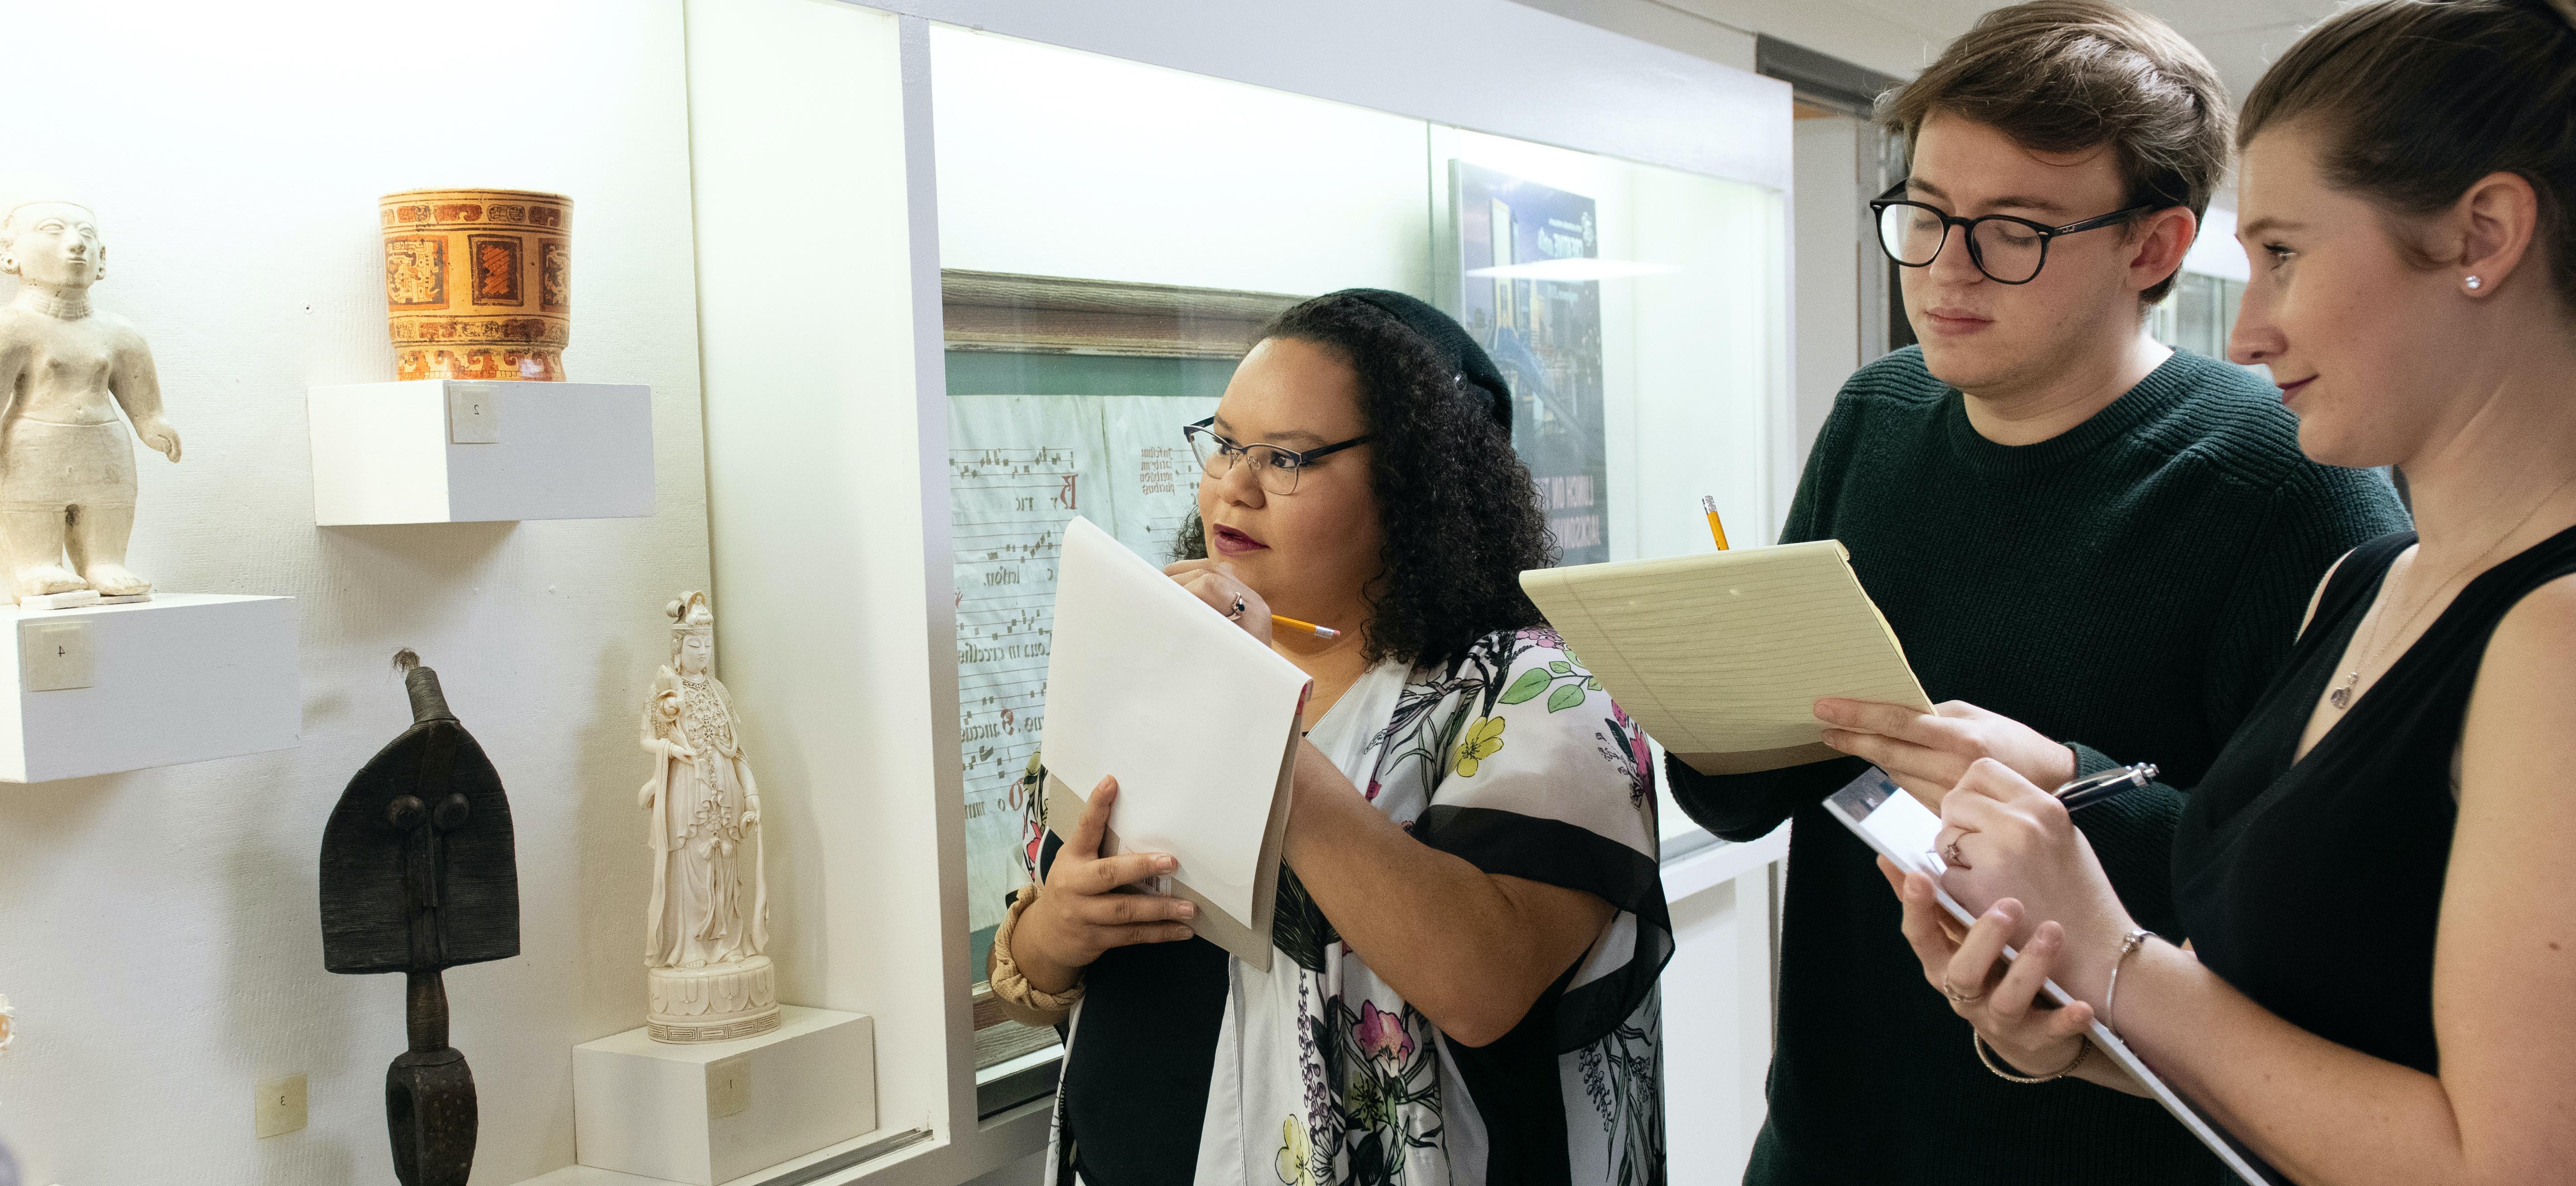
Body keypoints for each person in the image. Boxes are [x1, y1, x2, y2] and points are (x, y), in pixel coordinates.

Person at [1660, 3, 2413, 1182]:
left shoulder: (2287, 479)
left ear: (2154, 248)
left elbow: (2327, 904)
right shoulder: (1879, 412)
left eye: (2012, 230)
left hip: (2111, 1139)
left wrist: (2072, 788)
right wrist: (1701, 702)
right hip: (1834, 1127)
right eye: (1925, 216)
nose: (1948, 269)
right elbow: (1756, 794)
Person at [1891, 2, 2576, 1181]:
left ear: (2484, 234)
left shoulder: (2555, 632)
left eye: (2287, 256)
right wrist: (2067, 1028)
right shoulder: (2369, 583)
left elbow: (2504, 1166)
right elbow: (2273, 1043)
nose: (2250, 332)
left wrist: (2115, 957)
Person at [984, 290, 1672, 1186]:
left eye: (1286, 458)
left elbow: (1482, 986)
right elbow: (1027, 954)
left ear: (1413, 481)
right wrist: (1055, 929)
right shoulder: (1157, 644)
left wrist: (1247, 709)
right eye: (1225, 443)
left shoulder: (1531, 695)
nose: (1233, 484)